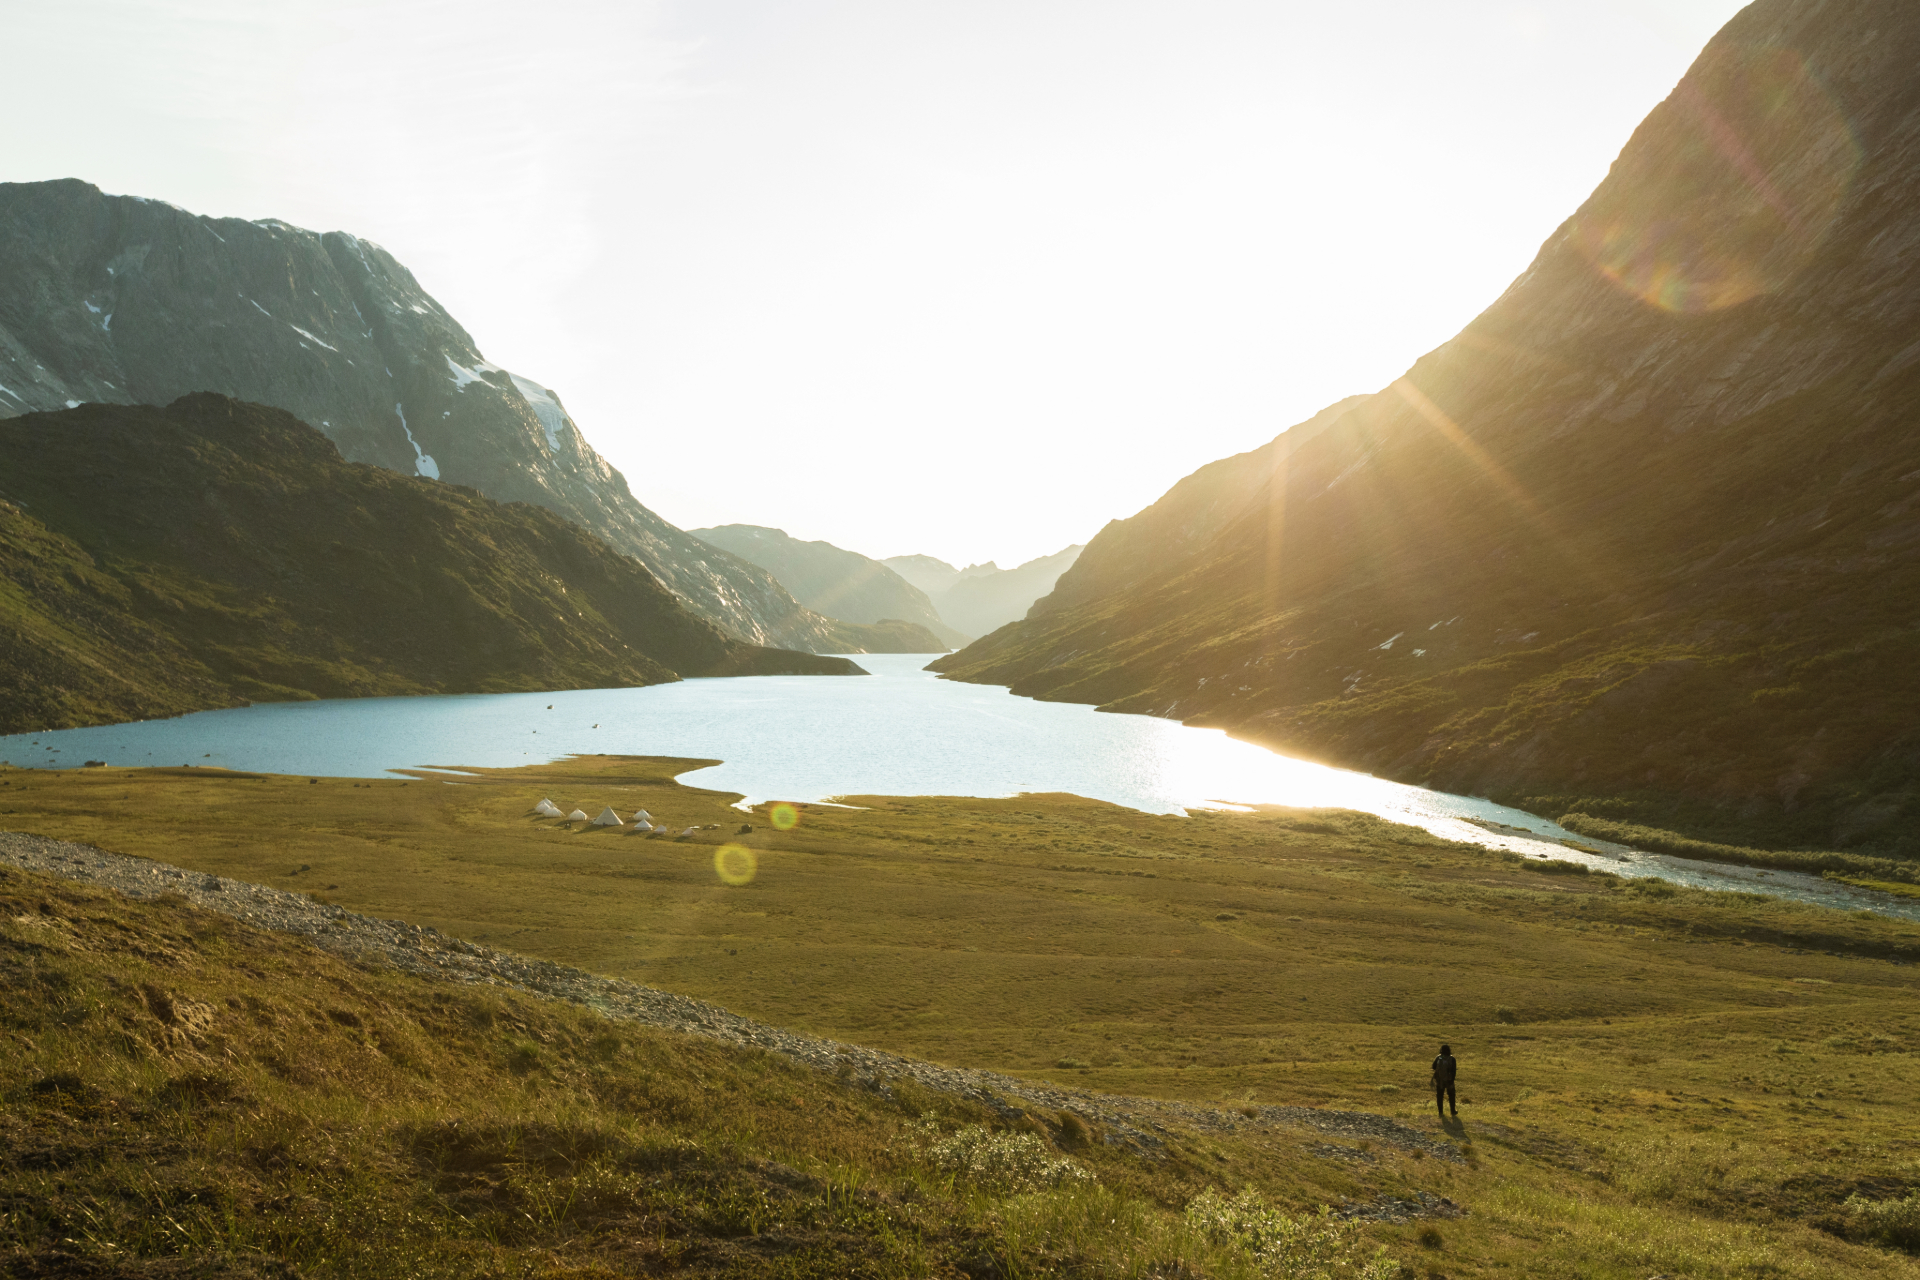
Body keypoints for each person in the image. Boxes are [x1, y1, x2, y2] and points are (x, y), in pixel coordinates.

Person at [1431, 1043, 1458, 1120]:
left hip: (1439, 1080)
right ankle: (1453, 1111)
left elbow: (1433, 1066)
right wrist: (1452, 1080)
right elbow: (1454, 1071)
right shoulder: (1452, 1059)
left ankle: (1440, 1112)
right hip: (1449, 1080)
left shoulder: (1438, 1057)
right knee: (1451, 1096)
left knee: (1439, 1096)